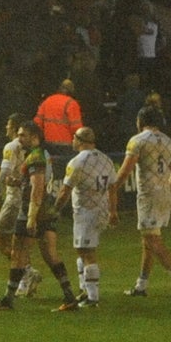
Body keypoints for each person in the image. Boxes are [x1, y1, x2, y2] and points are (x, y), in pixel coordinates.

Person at [0, 120, 78, 310]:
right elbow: (35, 182)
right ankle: (69, 296)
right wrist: (18, 182)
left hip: (32, 209)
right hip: (45, 209)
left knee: (18, 252)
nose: (19, 138)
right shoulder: (41, 154)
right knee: (49, 254)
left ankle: (7, 299)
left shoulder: (35, 156)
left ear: (35, 137)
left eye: (23, 135)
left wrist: (30, 217)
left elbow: (37, 187)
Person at [114, 106, 171, 298]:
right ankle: (141, 285)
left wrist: (113, 187)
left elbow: (126, 169)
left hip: (149, 195)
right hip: (165, 192)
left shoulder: (137, 141)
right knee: (148, 239)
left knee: (152, 239)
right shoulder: (168, 141)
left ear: (140, 121)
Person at [54, 126, 115, 310]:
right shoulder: (106, 159)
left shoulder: (77, 162)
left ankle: (93, 297)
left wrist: (55, 209)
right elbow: (113, 187)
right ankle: (85, 289)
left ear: (79, 140)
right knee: (82, 251)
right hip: (101, 209)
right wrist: (113, 211)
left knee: (87, 252)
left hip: (87, 211)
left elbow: (65, 189)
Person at [0, 113, 39, 299]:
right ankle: (26, 278)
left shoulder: (11, 147)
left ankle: (27, 273)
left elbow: (4, 173)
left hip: (13, 199)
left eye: (9, 125)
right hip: (26, 199)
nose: (6, 128)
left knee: (3, 241)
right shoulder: (33, 149)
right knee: (19, 243)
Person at [35, 79, 83, 172]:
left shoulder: (47, 101)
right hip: (66, 147)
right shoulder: (71, 103)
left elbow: (37, 123)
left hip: (48, 145)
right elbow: (76, 128)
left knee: (51, 172)